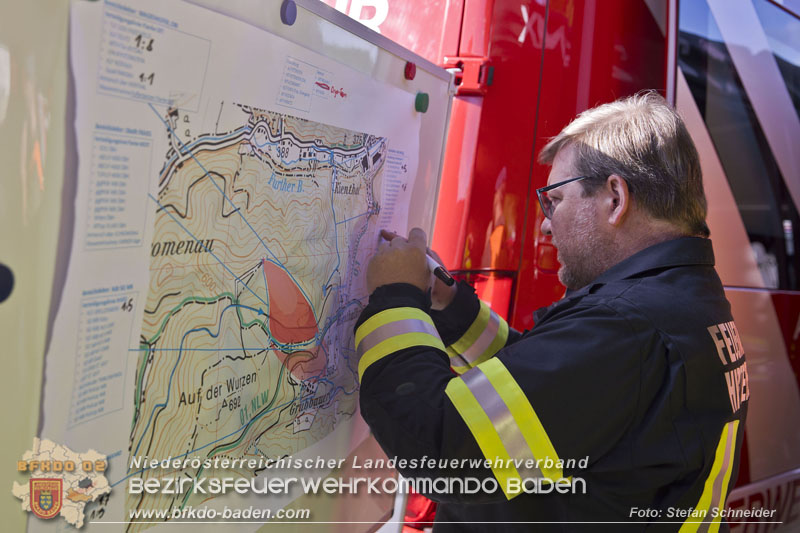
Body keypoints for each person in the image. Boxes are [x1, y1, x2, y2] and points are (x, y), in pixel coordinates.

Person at [354, 92, 749, 531]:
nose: (544, 222)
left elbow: (440, 445)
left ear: (615, 199)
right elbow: (542, 396)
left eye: (554, 200)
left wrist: (394, 295)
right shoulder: (682, 300)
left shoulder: (626, 326)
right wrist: (450, 305)